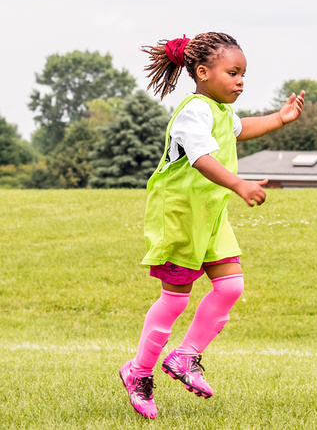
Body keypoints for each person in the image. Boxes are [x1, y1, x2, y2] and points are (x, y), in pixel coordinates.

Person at [119, 32, 305, 419]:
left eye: (243, 75)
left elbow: (240, 129)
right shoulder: (194, 110)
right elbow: (202, 157)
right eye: (233, 72)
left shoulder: (220, 112)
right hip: (181, 217)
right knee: (175, 299)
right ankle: (138, 372)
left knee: (231, 285)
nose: (240, 81)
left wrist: (279, 118)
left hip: (211, 216)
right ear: (202, 72)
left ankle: (186, 356)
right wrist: (239, 183)